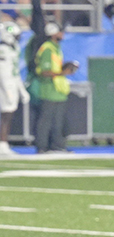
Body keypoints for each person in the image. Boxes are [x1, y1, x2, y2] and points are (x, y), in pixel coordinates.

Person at [32, 23, 75, 153]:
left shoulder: (56, 47)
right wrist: (63, 73)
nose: (62, 34)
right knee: (45, 121)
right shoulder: (48, 49)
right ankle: (42, 146)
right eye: (60, 31)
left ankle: (57, 146)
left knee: (58, 121)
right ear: (53, 33)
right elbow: (44, 71)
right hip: (48, 90)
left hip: (58, 90)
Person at [0, 21, 30, 155]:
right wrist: (7, 90)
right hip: (4, 86)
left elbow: (15, 72)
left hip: (11, 84)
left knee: (8, 115)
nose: (18, 38)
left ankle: (3, 143)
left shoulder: (13, 48)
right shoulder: (3, 50)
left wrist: (22, 90)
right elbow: (3, 72)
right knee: (6, 115)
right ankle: (2, 145)